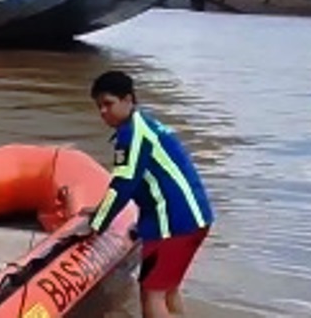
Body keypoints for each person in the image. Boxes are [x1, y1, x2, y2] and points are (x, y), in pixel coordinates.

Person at [84, 70, 214, 318]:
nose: (103, 112)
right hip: (195, 218)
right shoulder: (145, 124)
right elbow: (148, 183)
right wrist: (104, 210)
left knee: (151, 294)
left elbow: (123, 184)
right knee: (168, 290)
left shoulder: (132, 135)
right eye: (99, 106)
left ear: (128, 100)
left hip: (173, 224)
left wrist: (97, 223)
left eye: (108, 104)